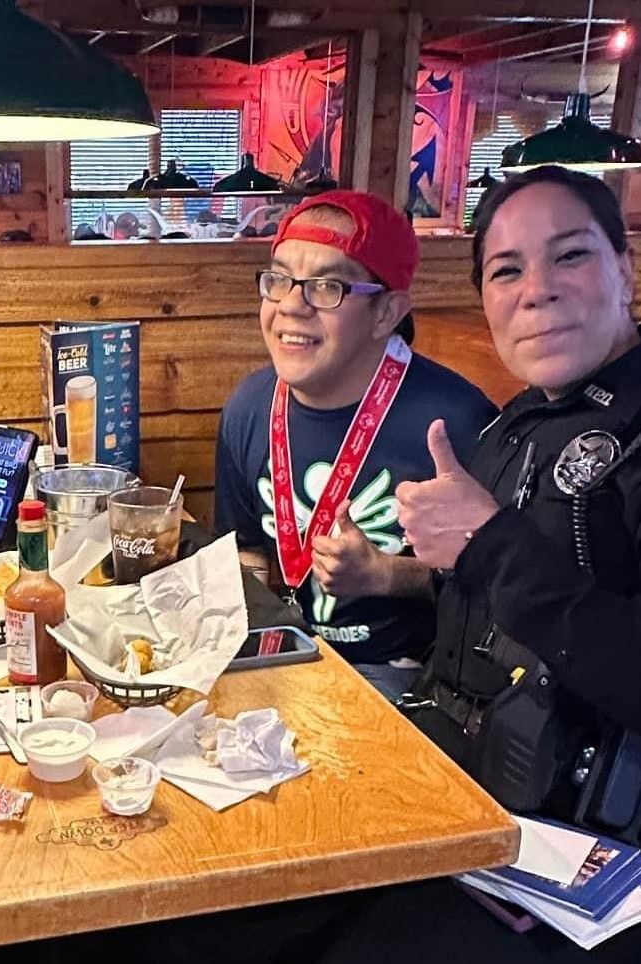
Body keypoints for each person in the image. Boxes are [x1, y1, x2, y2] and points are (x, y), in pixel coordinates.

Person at [319, 165, 641, 962]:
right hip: (459, 795)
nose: (537, 291)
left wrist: (488, 544)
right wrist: (400, 572)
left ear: (627, 267)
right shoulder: (524, 420)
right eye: (507, 269)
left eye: (571, 257)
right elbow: (492, 608)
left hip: (603, 873)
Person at [213, 189, 497, 698]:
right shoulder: (249, 406)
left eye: (326, 287)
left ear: (387, 313)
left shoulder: (460, 423)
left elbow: (502, 593)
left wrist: (387, 576)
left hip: (413, 681)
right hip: (284, 657)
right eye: (278, 281)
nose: (291, 307)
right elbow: (248, 550)